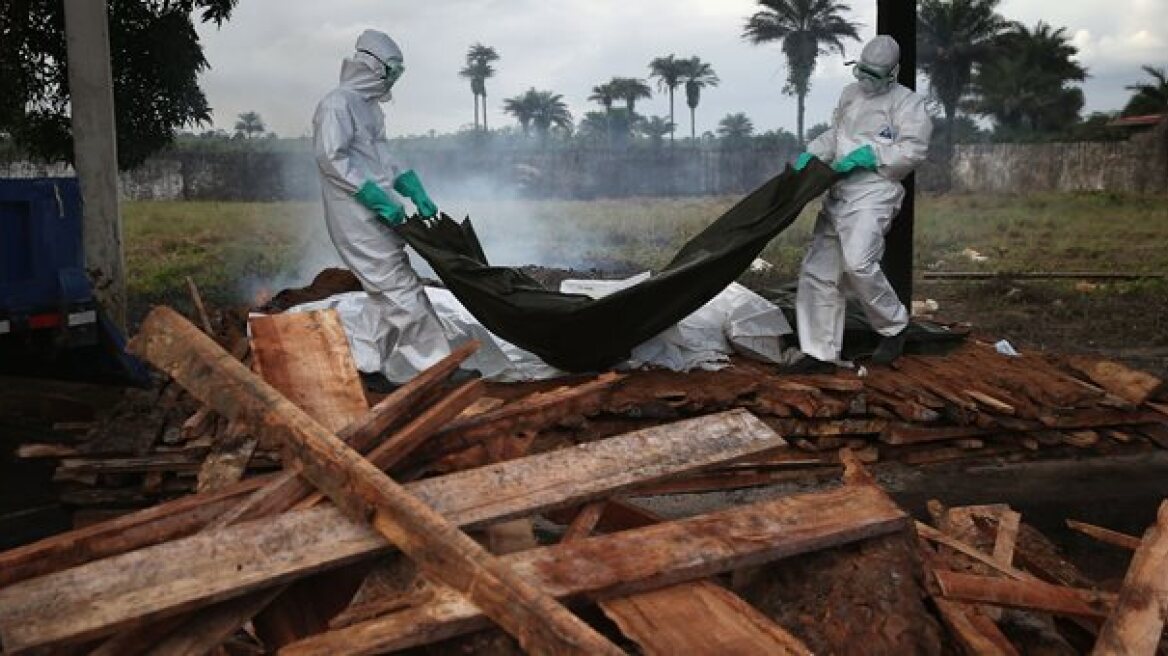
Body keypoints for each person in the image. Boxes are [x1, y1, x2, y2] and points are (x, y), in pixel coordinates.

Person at [312, 29, 452, 386]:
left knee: (383, 292)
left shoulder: (370, 109)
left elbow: (384, 157)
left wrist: (411, 187)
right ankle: (437, 367)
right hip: (355, 214)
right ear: (373, 65)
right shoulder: (337, 105)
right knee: (400, 286)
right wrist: (373, 196)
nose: (395, 78)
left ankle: (368, 366)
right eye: (393, 70)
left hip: (380, 211)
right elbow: (331, 158)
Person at [786, 35, 932, 372]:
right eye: (862, 71)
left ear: (892, 73)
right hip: (839, 189)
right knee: (818, 270)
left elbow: (913, 150)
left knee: (858, 263)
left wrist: (873, 154)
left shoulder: (909, 104)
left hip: (874, 192)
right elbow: (835, 135)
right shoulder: (850, 94)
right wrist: (813, 154)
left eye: (874, 75)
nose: (866, 80)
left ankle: (894, 326)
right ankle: (819, 353)